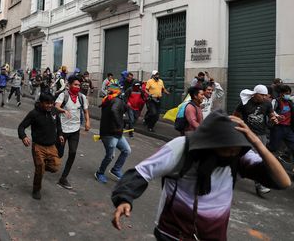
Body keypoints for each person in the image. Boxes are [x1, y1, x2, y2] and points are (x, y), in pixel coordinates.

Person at [111, 111, 291, 241]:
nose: (230, 154)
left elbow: (282, 181)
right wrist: (124, 199)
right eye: (226, 150)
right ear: (211, 144)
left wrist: (256, 142)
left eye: (235, 151)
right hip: (173, 234)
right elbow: (143, 171)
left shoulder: (239, 154)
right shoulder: (182, 147)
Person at [233, 84, 278, 196]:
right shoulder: (244, 103)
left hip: (262, 136)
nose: (264, 97)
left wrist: (274, 119)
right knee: (256, 159)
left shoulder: (267, 103)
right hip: (248, 135)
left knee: (257, 158)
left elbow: (271, 115)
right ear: (255, 94)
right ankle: (260, 185)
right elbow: (235, 116)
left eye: (265, 95)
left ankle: (232, 174)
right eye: (262, 95)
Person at [18, 93, 64, 200]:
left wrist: (60, 135)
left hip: (52, 146)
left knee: (55, 167)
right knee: (39, 169)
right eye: (47, 103)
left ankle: (43, 168)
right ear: (41, 103)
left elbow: (58, 125)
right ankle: (36, 190)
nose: (49, 106)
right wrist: (23, 137)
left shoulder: (54, 112)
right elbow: (21, 126)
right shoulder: (34, 114)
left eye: (51, 103)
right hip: (38, 146)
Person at [55, 76, 91, 189]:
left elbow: (85, 111)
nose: (77, 87)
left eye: (79, 85)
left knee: (73, 152)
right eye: (75, 84)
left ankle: (63, 178)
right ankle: (49, 158)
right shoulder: (63, 95)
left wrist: (87, 122)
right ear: (69, 85)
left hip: (75, 129)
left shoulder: (82, 97)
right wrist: (64, 110)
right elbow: (56, 107)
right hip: (63, 128)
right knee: (59, 153)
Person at [95, 84, 131, 183]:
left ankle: (116, 169)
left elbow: (119, 111)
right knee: (110, 155)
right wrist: (120, 125)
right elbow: (114, 110)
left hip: (115, 132)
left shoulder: (109, 99)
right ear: (119, 92)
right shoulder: (116, 100)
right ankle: (100, 173)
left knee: (126, 150)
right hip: (109, 133)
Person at [267, 85, 294, 154]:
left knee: (292, 144)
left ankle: (286, 155)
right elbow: (271, 111)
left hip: (288, 128)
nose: (288, 95)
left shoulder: (290, 102)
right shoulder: (275, 101)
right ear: (281, 94)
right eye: (286, 94)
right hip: (278, 128)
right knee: (273, 147)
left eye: (289, 93)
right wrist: (277, 116)